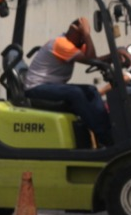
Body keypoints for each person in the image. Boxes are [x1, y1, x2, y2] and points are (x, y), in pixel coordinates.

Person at [23, 17, 113, 146]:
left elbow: (93, 59)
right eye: (81, 36)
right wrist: (86, 34)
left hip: (49, 86)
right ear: (73, 30)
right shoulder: (61, 44)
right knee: (76, 93)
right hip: (36, 88)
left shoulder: (71, 45)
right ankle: (105, 137)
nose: (83, 41)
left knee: (91, 90)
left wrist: (115, 55)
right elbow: (90, 59)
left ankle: (108, 130)